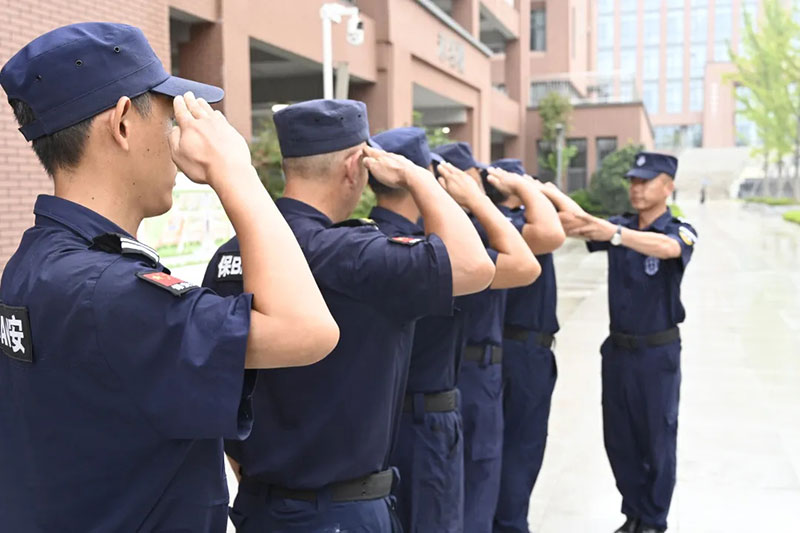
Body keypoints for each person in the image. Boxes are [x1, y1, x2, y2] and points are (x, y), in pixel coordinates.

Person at [0, 22, 338, 532]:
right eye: (167, 116)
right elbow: (310, 331)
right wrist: (236, 173)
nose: (177, 140)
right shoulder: (108, 292)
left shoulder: (36, 262)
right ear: (121, 123)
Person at [203, 100, 496, 532]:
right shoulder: (352, 253)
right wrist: (418, 176)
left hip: (259, 506)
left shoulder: (230, 255)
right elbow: (475, 267)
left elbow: (217, 386)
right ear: (355, 166)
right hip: (340, 511)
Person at [366, 129, 537, 532]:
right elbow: (525, 264)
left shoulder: (355, 238)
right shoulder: (443, 253)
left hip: (373, 425)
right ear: (424, 174)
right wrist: (474, 198)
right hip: (427, 421)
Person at [556, 152, 697, 533]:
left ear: (667, 186)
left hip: (657, 354)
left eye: (645, 181)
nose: (636, 188)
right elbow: (581, 224)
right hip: (618, 351)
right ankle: (633, 513)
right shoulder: (620, 224)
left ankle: (653, 520)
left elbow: (669, 249)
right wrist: (545, 192)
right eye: (633, 181)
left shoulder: (678, 229)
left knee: (657, 439)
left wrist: (616, 235)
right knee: (619, 438)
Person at [433, 142, 541, 533]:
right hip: (460, 372)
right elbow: (537, 249)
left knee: (472, 480)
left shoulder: (485, 228)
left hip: (475, 369)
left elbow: (547, 234)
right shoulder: (450, 230)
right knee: (465, 484)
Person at [487, 160, 566, 533]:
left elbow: (578, 220)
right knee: (519, 448)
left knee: (516, 449)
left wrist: (532, 191)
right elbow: (556, 229)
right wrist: (530, 189)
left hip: (521, 350)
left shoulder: (505, 223)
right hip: (519, 352)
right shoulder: (512, 227)